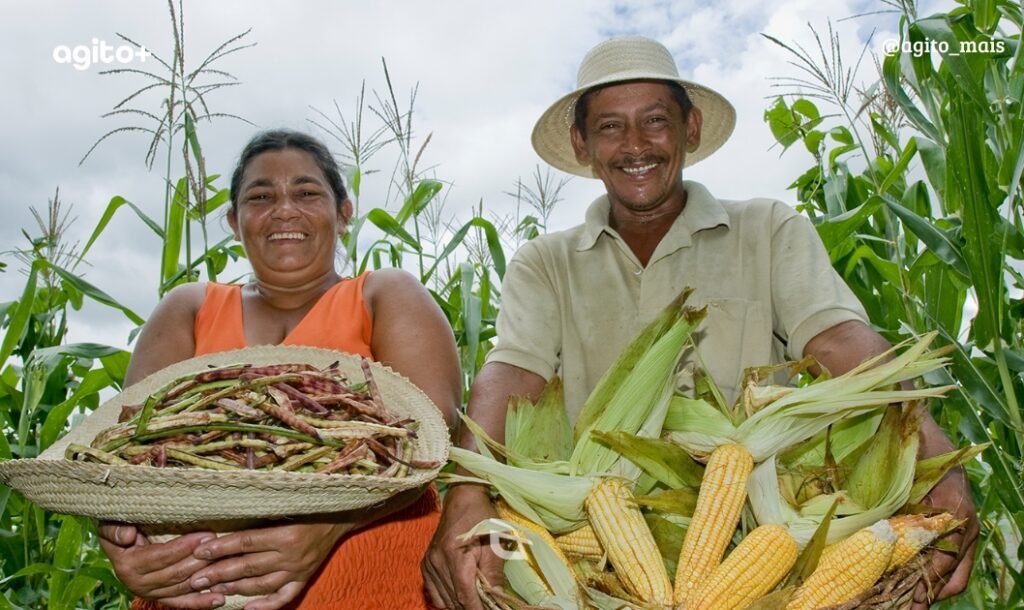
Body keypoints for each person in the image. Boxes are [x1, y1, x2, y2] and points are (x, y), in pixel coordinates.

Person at [422, 36, 978, 610]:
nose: (635, 145)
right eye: (610, 127)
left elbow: (837, 338)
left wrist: (929, 448)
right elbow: (513, 373)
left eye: (655, 121)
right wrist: (468, 491)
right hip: (596, 554)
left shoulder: (767, 229)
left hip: (747, 544)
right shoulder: (546, 261)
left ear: (690, 128)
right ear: (581, 144)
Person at [98, 129, 462, 610]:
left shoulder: (385, 295)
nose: (284, 209)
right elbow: (124, 453)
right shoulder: (189, 307)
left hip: (368, 572)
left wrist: (327, 526)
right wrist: (120, 541)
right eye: (261, 196)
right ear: (233, 220)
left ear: (344, 213)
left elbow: (432, 437)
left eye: (307, 192)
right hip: (200, 582)